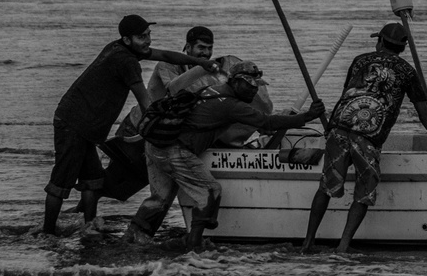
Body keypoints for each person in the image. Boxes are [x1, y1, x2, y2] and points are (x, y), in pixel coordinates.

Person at [44, 14, 220, 237]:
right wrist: (160, 127)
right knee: (61, 181)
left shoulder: (125, 49)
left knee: (94, 181)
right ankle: (47, 233)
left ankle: (89, 228)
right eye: (141, 37)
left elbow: (165, 53)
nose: (147, 41)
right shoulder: (126, 61)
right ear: (127, 40)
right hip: (73, 122)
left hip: (91, 126)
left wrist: (200, 63)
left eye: (148, 35)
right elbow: (145, 100)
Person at [303, 23, 427, 251]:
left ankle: (308, 243)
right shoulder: (407, 71)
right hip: (368, 137)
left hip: (339, 128)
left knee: (326, 186)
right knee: (363, 193)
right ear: (402, 48)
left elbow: (349, 92)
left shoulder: (360, 60)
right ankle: (342, 249)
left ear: (380, 42)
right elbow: (424, 114)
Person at [128, 61, 323, 250]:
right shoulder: (230, 105)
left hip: (155, 144)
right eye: (249, 85)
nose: (254, 90)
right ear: (235, 82)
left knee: (159, 199)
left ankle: (134, 238)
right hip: (173, 150)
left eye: (257, 85)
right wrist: (307, 116)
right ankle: (193, 244)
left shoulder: (211, 90)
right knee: (210, 191)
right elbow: (267, 123)